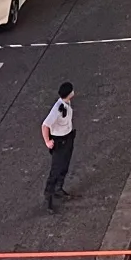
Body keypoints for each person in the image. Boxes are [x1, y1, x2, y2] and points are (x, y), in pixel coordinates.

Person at [41, 81, 76, 210]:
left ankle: (58, 189)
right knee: (56, 169)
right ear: (69, 93)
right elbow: (45, 125)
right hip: (59, 142)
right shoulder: (57, 109)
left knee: (64, 166)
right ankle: (49, 196)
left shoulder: (66, 103)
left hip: (67, 139)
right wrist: (47, 141)